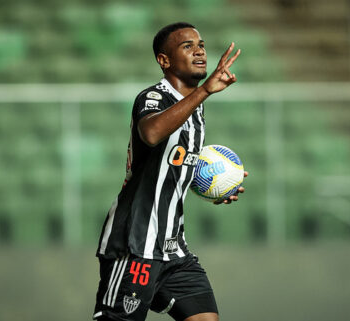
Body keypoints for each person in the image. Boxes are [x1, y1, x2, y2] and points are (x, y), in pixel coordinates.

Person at [93, 22, 247, 321]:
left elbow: (172, 167)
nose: (199, 50)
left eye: (200, 44)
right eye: (187, 46)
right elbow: (151, 134)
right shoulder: (153, 97)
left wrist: (216, 186)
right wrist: (204, 90)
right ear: (164, 60)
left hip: (173, 248)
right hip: (136, 244)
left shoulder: (196, 111)